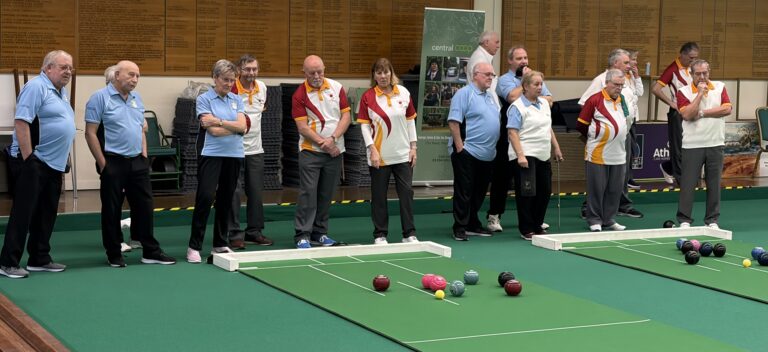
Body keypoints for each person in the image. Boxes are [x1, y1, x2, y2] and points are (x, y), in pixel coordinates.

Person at [84, 60, 176, 267]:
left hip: (137, 162)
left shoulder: (137, 98)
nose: (135, 79)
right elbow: (90, 133)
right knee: (112, 208)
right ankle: (114, 252)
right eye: (131, 75)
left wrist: (144, 154)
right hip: (112, 161)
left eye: (137, 76)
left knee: (145, 206)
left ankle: (150, 251)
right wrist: (103, 163)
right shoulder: (99, 98)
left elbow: (140, 128)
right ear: (117, 75)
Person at [0, 50, 76, 279]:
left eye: (70, 68)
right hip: (34, 162)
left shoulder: (60, 91)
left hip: (53, 164)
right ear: (48, 68)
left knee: (46, 213)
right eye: (63, 67)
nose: (68, 72)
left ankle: (39, 258)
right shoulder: (36, 87)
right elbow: (22, 123)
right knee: (23, 213)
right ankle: (7, 263)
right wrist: (29, 159)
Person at [488, 46, 554, 232]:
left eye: (525, 57)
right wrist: (525, 82)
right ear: (510, 61)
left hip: (534, 133)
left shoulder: (535, 78)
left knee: (537, 185)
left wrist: (533, 86)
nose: (524, 61)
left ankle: (535, 220)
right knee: (502, 178)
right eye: (519, 58)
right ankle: (494, 215)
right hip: (508, 132)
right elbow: (511, 97)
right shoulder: (504, 79)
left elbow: (549, 99)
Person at [187, 60, 247, 263]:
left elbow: (243, 127)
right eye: (225, 80)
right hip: (210, 154)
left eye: (232, 80)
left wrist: (220, 121)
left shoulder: (237, 100)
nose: (229, 84)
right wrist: (232, 127)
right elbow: (211, 130)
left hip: (234, 155)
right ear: (215, 78)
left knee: (226, 199)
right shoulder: (204, 99)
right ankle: (194, 247)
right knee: (205, 197)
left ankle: (220, 243)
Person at [357, 58, 419, 245]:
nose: (383, 76)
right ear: (374, 75)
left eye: (386, 72)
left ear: (392, 73)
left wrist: (413, 147)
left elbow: (410, 121)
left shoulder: (404, 92)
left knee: (406, 194)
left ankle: (409, 233)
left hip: (403, 155)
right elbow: (365, 127)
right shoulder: (368, 97)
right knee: (379, 196)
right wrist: (372, 150)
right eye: (379, 72)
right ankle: (380, 234)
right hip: (380, 157)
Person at [292, 55, 351, 249]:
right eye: (312, 73)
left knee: (326, 194)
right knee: (308, 194)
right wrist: (323, 143)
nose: (317, 76)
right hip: (310, 152)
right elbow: (302, 126)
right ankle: (302, 234)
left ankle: (320, 233)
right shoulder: (299, 94)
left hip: (335, 151)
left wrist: (332, 140)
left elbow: (346, 117)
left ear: (324, 69)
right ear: (304, 73)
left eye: (320, 71)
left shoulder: (337, 87)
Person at [578, 49, 644, 219]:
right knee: (599, 177)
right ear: (615, 63)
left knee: (621, 172)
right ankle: (590, 208)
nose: (630, 65)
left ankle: (621, 205)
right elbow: (585, 104)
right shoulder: (600, 80)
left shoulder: (627, 80)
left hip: (625, 131)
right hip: (603, 137)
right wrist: (597, 130)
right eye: (626, 62)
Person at [506, 70, 563, 240]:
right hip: (525, 153)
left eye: (541, 84)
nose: (540, 87)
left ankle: (537, 225)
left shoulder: (545, 104)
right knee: (527, 192)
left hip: (543, 153)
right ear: (525, 86)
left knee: (544, 191)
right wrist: (521, 155)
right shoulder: (517, 107)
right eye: (536, 84)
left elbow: (548, 128)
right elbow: (512, 133)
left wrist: (557, 147)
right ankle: (526, 228)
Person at [675, 59, 731, 229]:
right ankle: (684, 220)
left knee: (714, 184)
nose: (702, 77)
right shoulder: (683, 91)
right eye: (698, 73)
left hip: (716, 142)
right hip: (692, 144)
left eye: (705, 73)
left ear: (709, 72)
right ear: (691, 74)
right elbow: (686, 115)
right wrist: (699, 94)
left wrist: (701, 112)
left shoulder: (719, 86)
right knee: (688, 184)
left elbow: (727, 109)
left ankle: (712, 220)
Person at [226, 54, 274, 249]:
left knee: (255, 192)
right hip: (233, 149)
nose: (251, 73)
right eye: (247, 69)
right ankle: (234, 233)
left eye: (254, 69)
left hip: (256, 149)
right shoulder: (232, 88)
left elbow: (259, 112)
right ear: (239, 70)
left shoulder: (262, 87)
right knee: (233, 193)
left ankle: (254, 231)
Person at [447, 62, 500, 241]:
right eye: (487, 75)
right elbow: (454, 122)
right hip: (467, 152)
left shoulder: (490, 96)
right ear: (475, 75)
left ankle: (472, 223)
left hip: (487, 154)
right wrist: (460, 148)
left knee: (479, 192)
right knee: (464, 191)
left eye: (492, 75)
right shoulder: (464, 94)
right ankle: (460, 226)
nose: (490, 78)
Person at [577, 68, 629, 232]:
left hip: (619, 153)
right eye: (616, 84)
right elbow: (581, 125)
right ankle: (594, 220)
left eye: (621, 85)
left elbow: (626, 119)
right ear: (606, 83)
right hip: (598, 153)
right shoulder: (594, 100)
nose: (619, 88)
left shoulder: (623, 100)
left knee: (614, 189)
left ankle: (608, 219)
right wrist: (595, 137)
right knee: (597, 189)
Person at [652, 42, 700, 184]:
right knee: (678, 147)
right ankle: (681, 180)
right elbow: (655, 89)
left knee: (692, 145)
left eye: (696, 57)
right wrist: (671, 103)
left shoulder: (694, 69)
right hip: (678, 113)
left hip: (694, 111)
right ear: (683, 54)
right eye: (691, 57)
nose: (693, 60)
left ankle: (669, 167)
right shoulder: (673, 69)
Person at [468, 31, 501, 107]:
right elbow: (486, 88)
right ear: (486, 42)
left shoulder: (481, 57)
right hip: (482, 109)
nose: (498, 46)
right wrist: (495, 109)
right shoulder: (480, 60)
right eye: (496, 42)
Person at [626, 50, 643, 190]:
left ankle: (628, 177)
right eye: (633, 59)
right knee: (628, 149)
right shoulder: (618, 77)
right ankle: (626, 178)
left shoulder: (631, 75)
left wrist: (637, 76)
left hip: (633, 118)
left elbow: (640, 92)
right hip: (624, 119)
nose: (635, 62)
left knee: (632, 150)